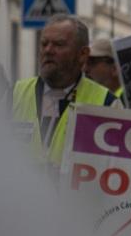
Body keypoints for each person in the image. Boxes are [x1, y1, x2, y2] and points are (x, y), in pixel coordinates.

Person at [11, 15, 112, 169]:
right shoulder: (14, 95)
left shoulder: (107, 104)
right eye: (44, 44)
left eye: (59, 44)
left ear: (83, 54)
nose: (48, 50)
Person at [85, 37, 125, 106]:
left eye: (91, 62)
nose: (85, 69)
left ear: (115, 68)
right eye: (84, 62)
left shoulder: (129, 102)